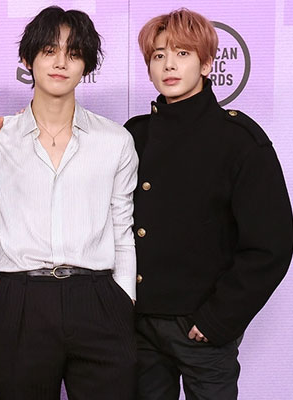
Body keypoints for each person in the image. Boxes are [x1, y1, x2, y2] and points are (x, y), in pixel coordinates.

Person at [0, 6, 138, 400]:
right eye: (49, 50)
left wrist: (123, 301)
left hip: (98, 298)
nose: (61, 62)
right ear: (27, 59)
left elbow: (123, 228)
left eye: (73, 52)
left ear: (86, 65)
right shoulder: (0, 137)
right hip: (22, 300)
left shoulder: (115, 140)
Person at [125, 8, 293, 400]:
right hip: (141, 325)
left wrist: (218, 319)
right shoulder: (134, 136)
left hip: (202, 328)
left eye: (182, 54)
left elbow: (271, 244)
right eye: (159, 55)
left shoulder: (238, 139)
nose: (169, 65)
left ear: (206, 64)